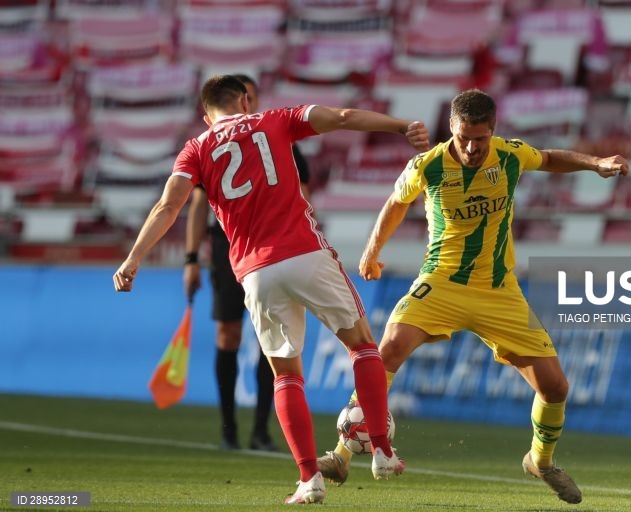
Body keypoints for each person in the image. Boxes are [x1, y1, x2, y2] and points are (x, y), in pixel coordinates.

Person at [113, 74, 430, 505]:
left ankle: (308, 481)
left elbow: (169, 206)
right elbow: (342, 116)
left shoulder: (196, 148)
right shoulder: (276, 120)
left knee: (286, 376)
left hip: (256, 271)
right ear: (244, 100)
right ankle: (381, 451)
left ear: (207, 116)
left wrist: (133, 259)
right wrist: (399, 127)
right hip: (305, 253)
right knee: (362, 347)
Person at [317, 89, 630, 505]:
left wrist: (597, 164)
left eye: (479, 138)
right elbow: (396, 203)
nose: (471, 146)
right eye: (464, 137)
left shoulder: (509, 155)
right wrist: (372, 252)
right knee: (388, 347)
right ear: (452, 128)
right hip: (441, 283)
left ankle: (541, 459)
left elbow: (550, 158)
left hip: (499, 291)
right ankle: (340, 455)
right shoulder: (426, 166)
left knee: (555, 388)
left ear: (493, 131)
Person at [183, 74, 311, 452]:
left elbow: (304, 194)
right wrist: (191, 259)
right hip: (227, 249)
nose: (248, 103)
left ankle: (261, 430)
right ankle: (228, 430)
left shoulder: (276, 135)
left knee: (269, 342)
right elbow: (196, 205)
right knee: (229, 336)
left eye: (252, 97)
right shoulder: (212, 146)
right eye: (244, 97)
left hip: (275, 248)